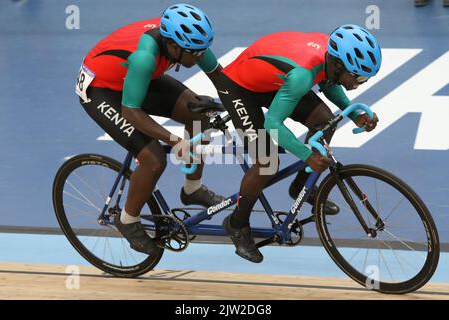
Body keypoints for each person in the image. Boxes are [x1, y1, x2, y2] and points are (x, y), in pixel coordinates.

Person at [208, 25, 381, 263]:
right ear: (339, 65)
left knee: (326, 122)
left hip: (274, 81)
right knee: (267, 162)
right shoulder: (302, 75)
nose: (360, 83)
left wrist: (353, 115)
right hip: (238, 87)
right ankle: (237, 224)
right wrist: (307, 156)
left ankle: (301, 187)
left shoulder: (330, 58)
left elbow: (330, 83)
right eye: (358, 77)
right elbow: (273, 124)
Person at [75, 4, 225, 255]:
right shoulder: (145, 58)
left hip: (131, 78)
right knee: (153, 159)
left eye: (203, 51)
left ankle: (192, 189)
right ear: (174, 47)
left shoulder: (187, 40)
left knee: (202, 115)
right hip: (101, 89)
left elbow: (222, 78)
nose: (200, 56)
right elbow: (130, 111)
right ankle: (128, 219)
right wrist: (175, 139)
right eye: (195, 53)